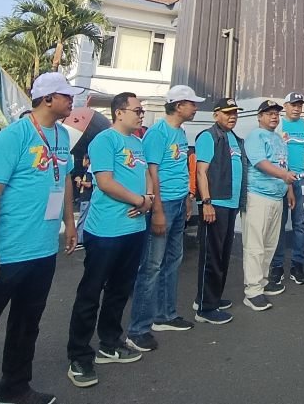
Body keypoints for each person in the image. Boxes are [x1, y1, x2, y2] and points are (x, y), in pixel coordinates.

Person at [0, 72, 80, 404]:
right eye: (66, 96)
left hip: (42, 251)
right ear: (47, 99)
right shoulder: (12, 137)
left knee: (27, 325)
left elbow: (66, 177)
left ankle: (13, 389)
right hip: (7, 253)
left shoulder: (60, 135)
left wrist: (69, 222)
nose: (71, 101)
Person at [67, 92, 152, 388]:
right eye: (137, 110)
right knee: (91, 293)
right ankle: (79, 355)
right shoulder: (105, 140)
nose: (141, 114)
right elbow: (105, 182)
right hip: (105, 231)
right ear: (119, 112)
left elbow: (146, 178)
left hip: (134, 230)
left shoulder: (138, 143)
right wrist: (140, 199)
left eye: (142, 110)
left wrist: (149, 198)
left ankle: (110, 343)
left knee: (119, 290)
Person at [126, 85, 204, 352]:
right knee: (152, 266)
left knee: (174, 260)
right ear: (179, 105)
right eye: (192, 103)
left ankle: (166, 315)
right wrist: (157, 209)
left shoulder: (180, 132)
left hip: (178, 203)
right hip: (163, 205)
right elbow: (152, 173)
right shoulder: (157, 133)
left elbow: (181, 167)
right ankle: (138, 328)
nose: (195, 108)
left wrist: (187, 199)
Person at [192, 98, 248, 324]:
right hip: (215, 204)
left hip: (231, 205)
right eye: (227, 113)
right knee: (211, 256)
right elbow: (201, 172)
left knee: (223, 255)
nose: (232, 116)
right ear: (216, 115)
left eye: (235, 112)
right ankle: (205, 309)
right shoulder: (209, 136)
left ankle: (208, 297)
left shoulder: (235, 138)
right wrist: (206, 202)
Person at [242, 100, 297, 312]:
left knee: (269, 244)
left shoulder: (278, 138)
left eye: (276, 113)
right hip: (258, 196)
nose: (274, 117)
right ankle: (252, 291)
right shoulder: (255, 136)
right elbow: (260, 163)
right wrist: (284, 175)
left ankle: (263, 282)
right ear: (259, 116)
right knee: (255, 245)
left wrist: (289, 189)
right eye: (269, 113)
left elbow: (284, 165)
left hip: (277, 196)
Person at [271, 92, 304, 286]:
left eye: (299, 105)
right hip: (281, 180)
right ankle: (277, 266)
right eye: (293, 104)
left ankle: (298, 265)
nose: (297, 108)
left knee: (301, 225)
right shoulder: (277, 127)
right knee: (279, 224)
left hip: (303, 180)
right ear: (286, 106)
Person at [72, 155, 93, 250]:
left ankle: (80, 239)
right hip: (83, 197)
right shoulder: (86, 171)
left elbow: (89, 184)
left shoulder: (89, 171)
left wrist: (80, 181)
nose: (82, 161)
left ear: (87, 160)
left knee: (82, 218)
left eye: (83, 159)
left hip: (86, 198)